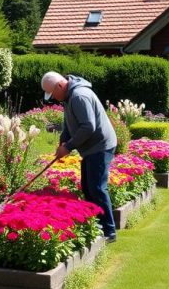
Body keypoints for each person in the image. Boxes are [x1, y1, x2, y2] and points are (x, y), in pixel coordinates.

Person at [40, 71, 118, 242]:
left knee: (96, 188)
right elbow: (70, 123)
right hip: (92, 147)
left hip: (100, 146)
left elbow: (88, 127)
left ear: (60, 85)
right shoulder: (69, 97)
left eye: (53, 94)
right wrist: (63, 140)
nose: (53, 98)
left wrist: (68, 147)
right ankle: (97, 224)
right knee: (88, 187)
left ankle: (109, 231)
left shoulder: (79, 96)